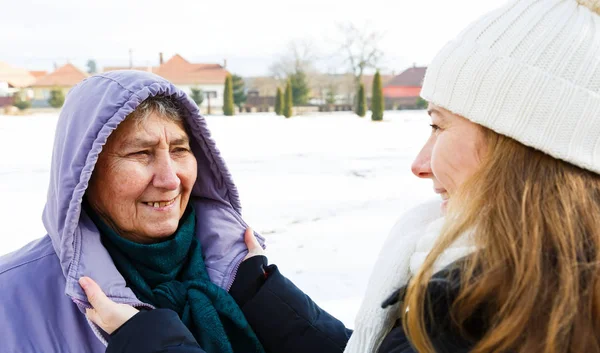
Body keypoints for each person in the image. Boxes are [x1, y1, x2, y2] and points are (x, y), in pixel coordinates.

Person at [79, 0, 600, 352]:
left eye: (439, 126)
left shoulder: (482, 315)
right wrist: (263, 294)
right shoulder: (544, 291)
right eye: (140, 153)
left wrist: (153, 342)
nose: (420, 162)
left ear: (520, 148)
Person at [0, 70, 272, 353]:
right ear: (85, 173)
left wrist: (272, 296)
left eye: (179, 149)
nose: (170, 180)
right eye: (141, 153)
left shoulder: (242, 273)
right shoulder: (9, 297)